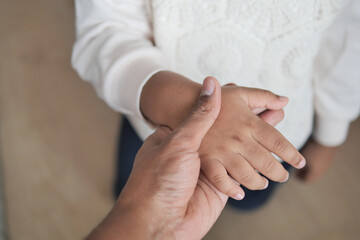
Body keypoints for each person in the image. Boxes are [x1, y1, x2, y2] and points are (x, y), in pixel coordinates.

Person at [72, 0, 360, 210]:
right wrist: (188, 110)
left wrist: (330, 133)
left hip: (273, 136)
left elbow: (347, 42)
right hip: (157, 123)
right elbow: (105, 31)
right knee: (136, 198)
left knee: (248, 198)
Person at [87, 78, 285, 240]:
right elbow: (102, 37)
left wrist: (318, 139)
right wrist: (185, 107)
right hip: (153, 122)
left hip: (269, 137)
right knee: (128, 180)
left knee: (250, 196)